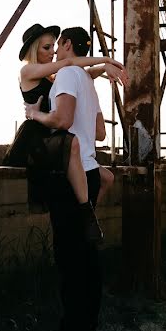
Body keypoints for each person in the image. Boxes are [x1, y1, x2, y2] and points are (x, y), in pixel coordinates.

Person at [24, 26, 107, 331]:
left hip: (67, 176)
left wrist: (36, 114)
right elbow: (99, 132)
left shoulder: (70, 74)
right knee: (87, 260)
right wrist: (103, 66)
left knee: (70, 264)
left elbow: (61, 119)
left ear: (68, 44)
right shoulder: (85, 81)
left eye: (57, 45)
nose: (55, 51)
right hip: (90, 172)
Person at [17, 24, 123, 213]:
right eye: (46, 47)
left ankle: (88, 213)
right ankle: (86, 213)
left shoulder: (53, 77)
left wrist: (103, 68)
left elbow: (84, 73)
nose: (52, 52)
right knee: (72, 146)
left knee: (105, 177)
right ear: (34, 49)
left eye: (53, 46)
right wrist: (107, 59)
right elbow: (69, 64)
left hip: (55, 133)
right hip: (38, 136)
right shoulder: (27, 71)